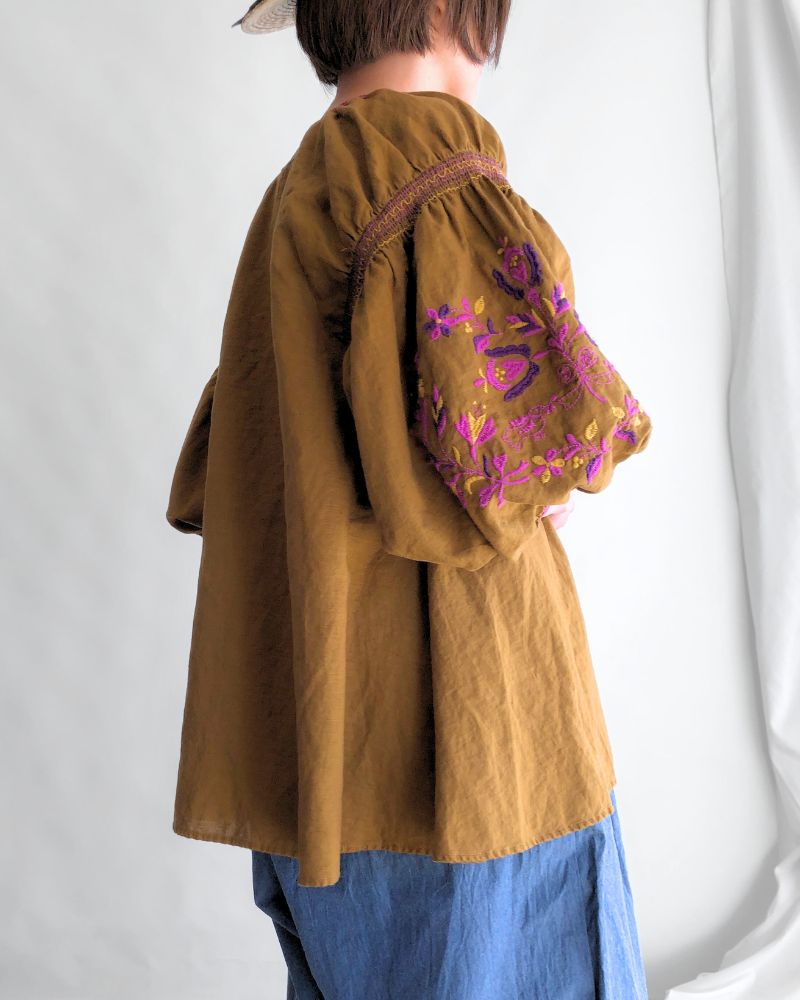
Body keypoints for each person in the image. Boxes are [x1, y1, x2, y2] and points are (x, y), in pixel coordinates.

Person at [167, 0, 653, 996]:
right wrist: (543, 470)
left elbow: (246, 453)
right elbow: (528, 437)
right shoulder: (433, 169)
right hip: (459, 740)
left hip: (323, 731)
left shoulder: (299, 191)